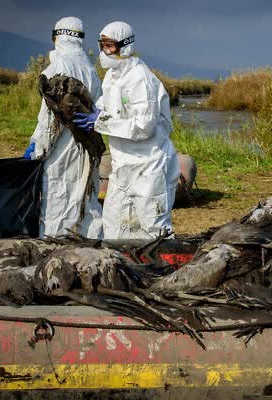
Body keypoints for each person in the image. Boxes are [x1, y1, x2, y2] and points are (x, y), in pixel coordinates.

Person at [74, 21, 180, 240]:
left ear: (126, 46)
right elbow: (104, 106)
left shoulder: (141, 78)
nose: (105, 51)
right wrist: (89, 111)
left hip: (148, 166)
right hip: (123, 164)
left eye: (110, 45)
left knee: (153, 227)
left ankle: (163, 271)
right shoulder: (113, 76)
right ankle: (125, 270)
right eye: (103, 44)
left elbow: (144, 126)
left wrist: (100, 122)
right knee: (114, 224)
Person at [27, 17, 103, 239]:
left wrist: (38, 148)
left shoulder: (56, 68)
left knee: (57, 206)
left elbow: (51, 120)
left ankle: (55, 260)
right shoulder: (90, 68)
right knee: (86, 204)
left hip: (62, 150)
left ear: (56, 37)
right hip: (88, 145)